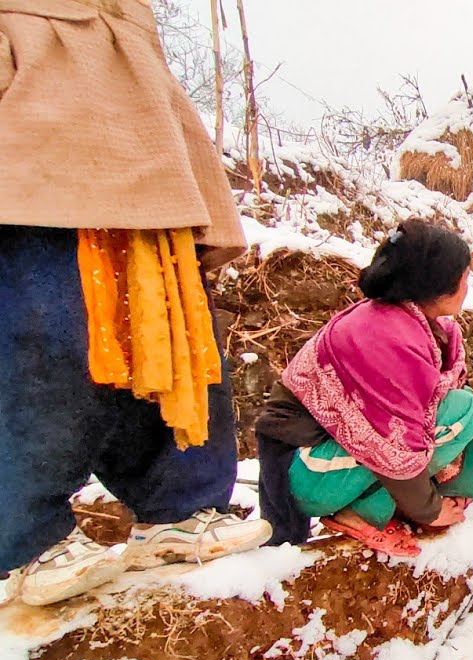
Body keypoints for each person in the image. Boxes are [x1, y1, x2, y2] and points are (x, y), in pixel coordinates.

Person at [0, 0, 272, 606]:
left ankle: (180, 508)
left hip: (150, 178)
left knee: (179, 344)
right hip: (40, 167)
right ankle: (21, 538)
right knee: (45, 350)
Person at [256, 220, 473, 557]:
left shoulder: (416, 327)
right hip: (302, 473)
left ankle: (385, 505)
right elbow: (393, 443)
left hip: (322, 465)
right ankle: (364, 511)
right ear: (438, 282)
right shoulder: (387, 337)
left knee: (461, 402)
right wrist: (429, 509)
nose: (468, 284)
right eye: (465, 276)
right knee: (462, 410)